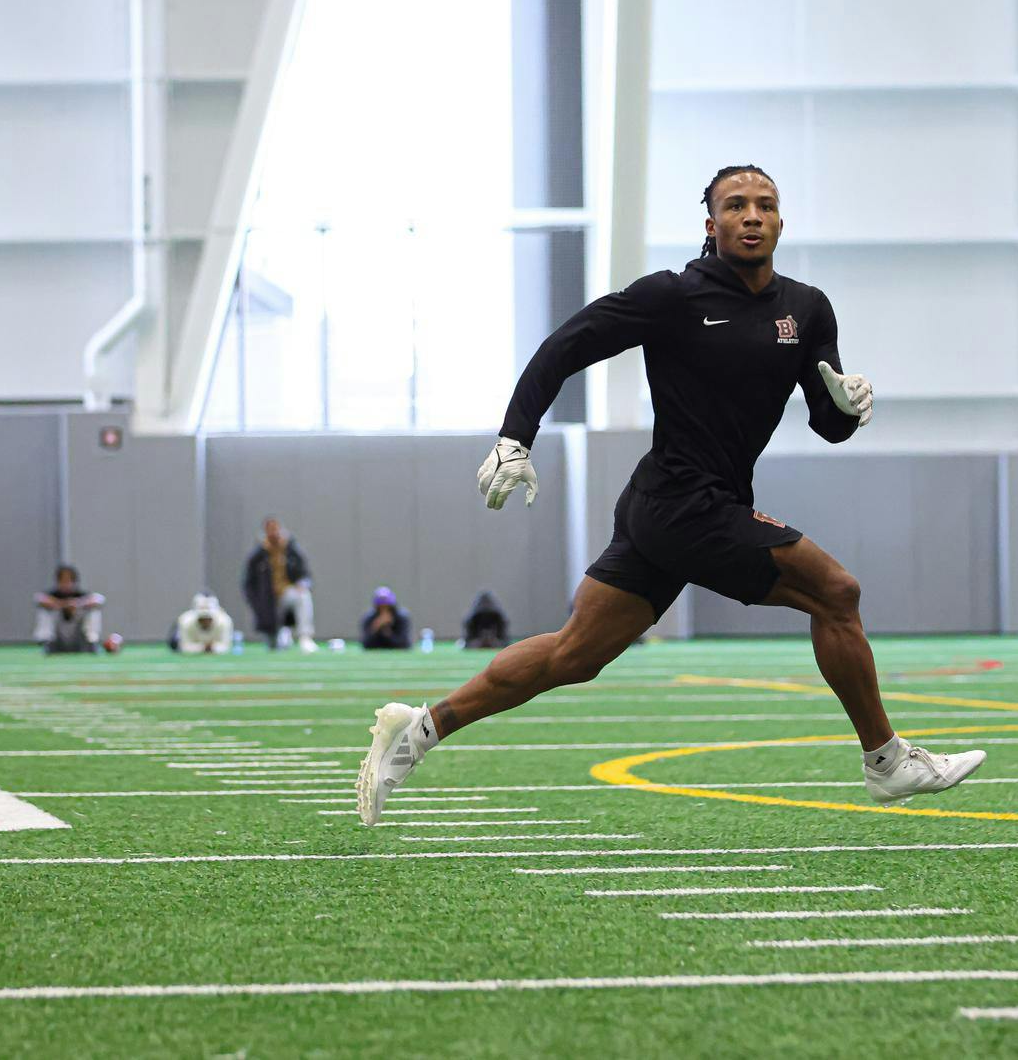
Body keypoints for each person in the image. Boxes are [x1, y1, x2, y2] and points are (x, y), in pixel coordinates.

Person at [355, 165, 985, 824]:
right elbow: (565, 346)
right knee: (837, 592)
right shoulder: (674, 297)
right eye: (735, 205)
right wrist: (516, 436)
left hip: (678, 507)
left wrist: (849, 406)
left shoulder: (807, 309)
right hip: (683, 503)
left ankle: (420, 728)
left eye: (765, 205)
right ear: (710, 225)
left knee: (575, 653)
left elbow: (827, 425)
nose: (751, 215)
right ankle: (886, 759)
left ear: (780, 222)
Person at [242, 517, 317, 652]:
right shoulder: (258, 555)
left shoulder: (291, 550)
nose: (274, 533)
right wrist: (255, 601)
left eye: (275, 529)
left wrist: (302, 583)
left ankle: (305, 636)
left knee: (303, 596)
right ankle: (281, 635)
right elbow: (249, 582)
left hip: (288, 592)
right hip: (267, 598)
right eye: (270, 530)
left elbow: (305, 574)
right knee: (272, 646)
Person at [34, 564, 104, 653]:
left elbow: (99, 599)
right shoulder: (53, 594)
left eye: (69, 580)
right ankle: (46, 642)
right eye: (62, 580)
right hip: (57, 640)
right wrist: (63, 605)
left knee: (93, 611)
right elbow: (39, 598)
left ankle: (92, 642)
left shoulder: (81, 595)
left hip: (78, 639)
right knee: (45, 610)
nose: (66, 584)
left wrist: (77, 605)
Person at [170, 592, 235, 655]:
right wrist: (204, 647)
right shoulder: (185, 621)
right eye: (202, 618)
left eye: (208, 618)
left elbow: (226, 646)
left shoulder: (224, 621)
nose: (205, 621)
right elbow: (184, 647)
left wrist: (211, 647)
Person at [360, 586, 412, 650]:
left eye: (387, 607)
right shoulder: (369, 618)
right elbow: (365, 644)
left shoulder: (401, 618)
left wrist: (388, 634)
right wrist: (375, 627)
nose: (384, 610)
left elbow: (405, 644)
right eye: (381, 607)